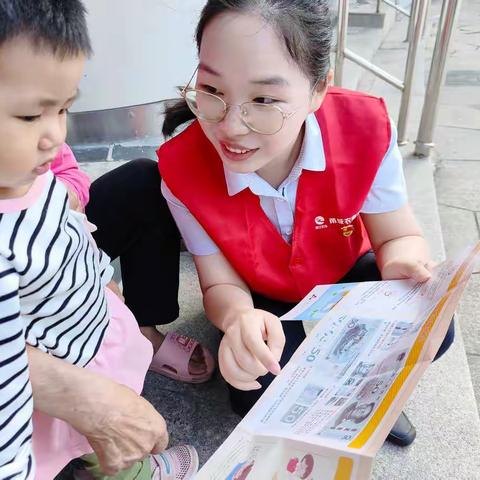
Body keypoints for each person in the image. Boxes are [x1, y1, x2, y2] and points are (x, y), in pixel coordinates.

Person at [157, 0, 455, 448]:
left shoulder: (362, 129)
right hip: (260, 293)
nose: (232, 127)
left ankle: (371, 393)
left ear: (319, 90)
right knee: (254, 385)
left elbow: (397, 236)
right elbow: (219, 285)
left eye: (264, 100)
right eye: (212, 89)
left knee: (432, 323)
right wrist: (239, 320)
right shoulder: (182, 168)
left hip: (342, 276)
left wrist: (405, 265)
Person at [0, 1, 198, 478]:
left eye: (65, 108)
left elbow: (74, 234)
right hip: (50, 362)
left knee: (108, 414)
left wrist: (104, 286)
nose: (54, 135)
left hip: (86, 324)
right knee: (91, 440)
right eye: (30, 116)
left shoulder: (26, 173)